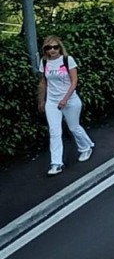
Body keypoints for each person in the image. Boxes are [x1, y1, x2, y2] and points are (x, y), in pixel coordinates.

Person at [37, 36, 94, 176]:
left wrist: (65, 99)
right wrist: (41, 100)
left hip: (70, 100)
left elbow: (74, 81)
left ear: (59, 48)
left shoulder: (67, 60)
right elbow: (43, 82)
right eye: (49, 48)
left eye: (55, 47)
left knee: (74, 127)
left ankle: (86, 146)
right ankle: (56, 163)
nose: (52, 50)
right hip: (52, 101)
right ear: (45, 50)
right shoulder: (44, 62)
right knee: (54, 131)